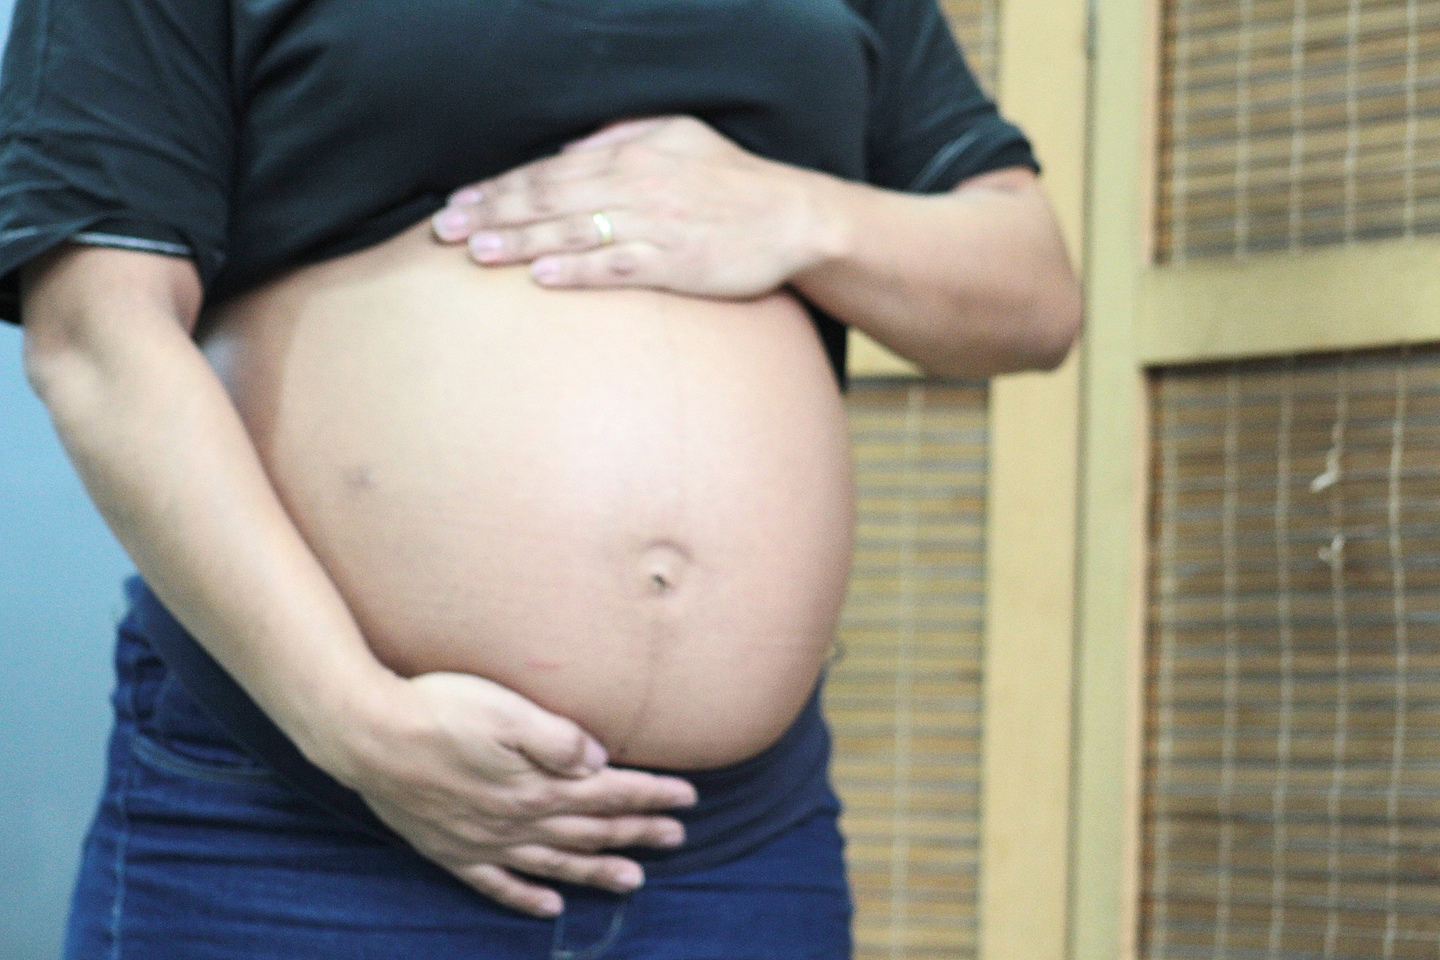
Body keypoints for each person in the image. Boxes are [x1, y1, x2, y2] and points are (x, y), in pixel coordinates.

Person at [0, 0, 1081, 956]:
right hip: (308, 828)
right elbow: (96, 335)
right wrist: (354, 722)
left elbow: (1033, 293)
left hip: (736, 853)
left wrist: (803, 214)